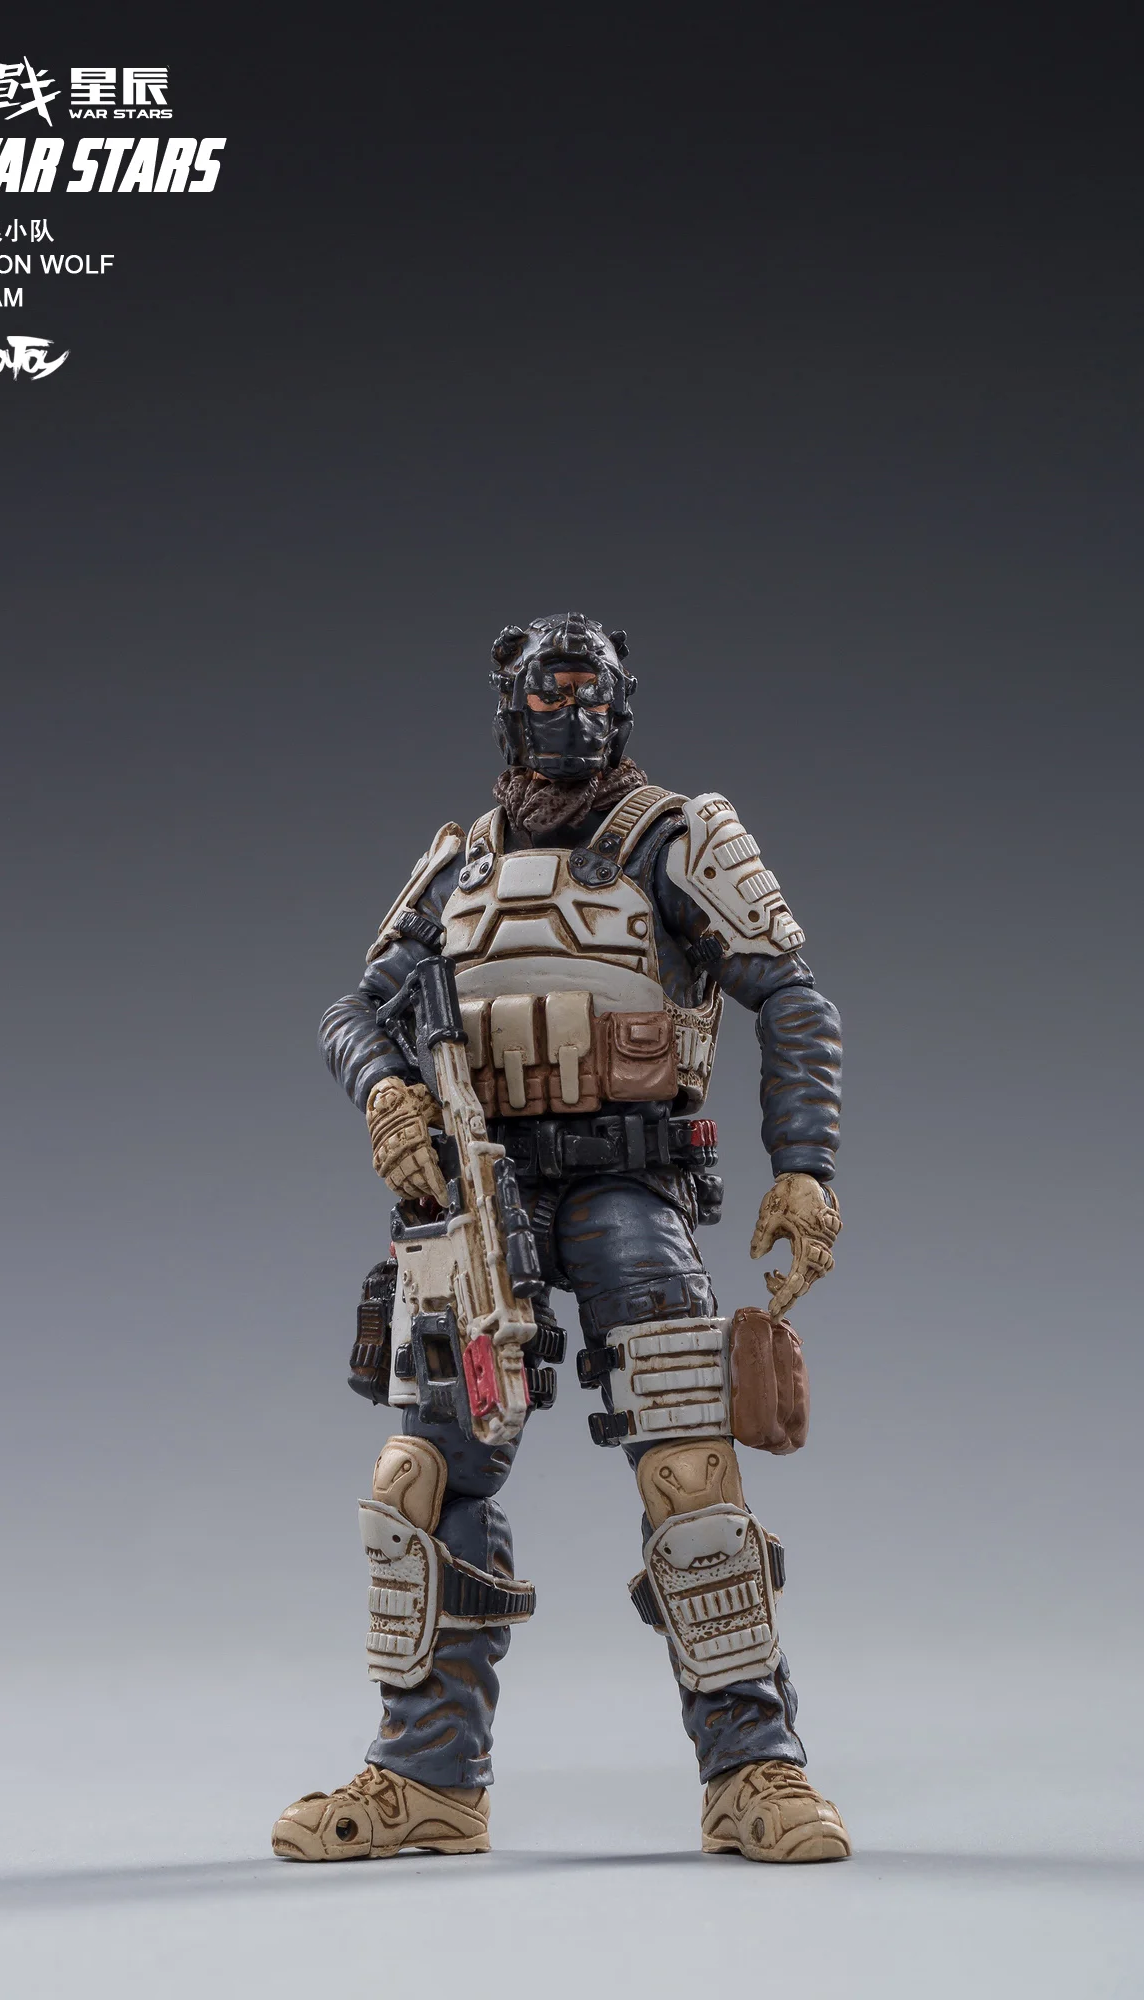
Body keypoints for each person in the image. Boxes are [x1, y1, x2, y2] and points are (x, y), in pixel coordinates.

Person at [273, 612, 849, 1864]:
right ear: (510, 702)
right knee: (424, 1479)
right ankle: (427, 1775)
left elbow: (792, 994)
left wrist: (804, 1167)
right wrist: (386, 1094)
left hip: (629, 1189)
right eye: (549, 689)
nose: (571, 711)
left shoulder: (672, 837)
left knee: (689, 1471)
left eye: (591, 689)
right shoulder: (460, 864)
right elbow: (352, 1009)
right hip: (482, 1199)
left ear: (621, 703)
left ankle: (754, 1766)